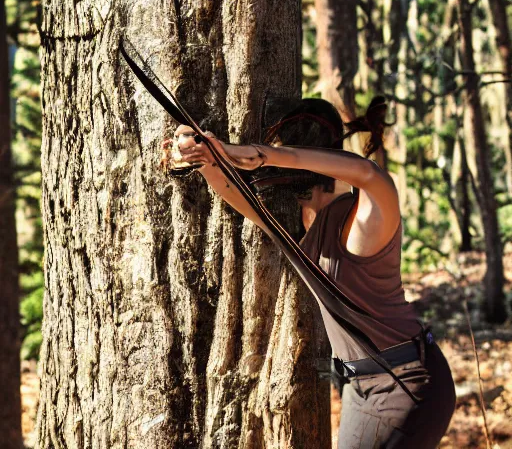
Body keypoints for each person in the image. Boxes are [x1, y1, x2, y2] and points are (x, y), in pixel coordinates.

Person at [161, 96, 456, 448]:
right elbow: (236, 195)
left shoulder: (366, 217)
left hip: (408, 382)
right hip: (360, 387)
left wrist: (261, 153)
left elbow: (367, 173)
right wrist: (206, 159)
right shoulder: (303, 225)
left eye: (285, 156)